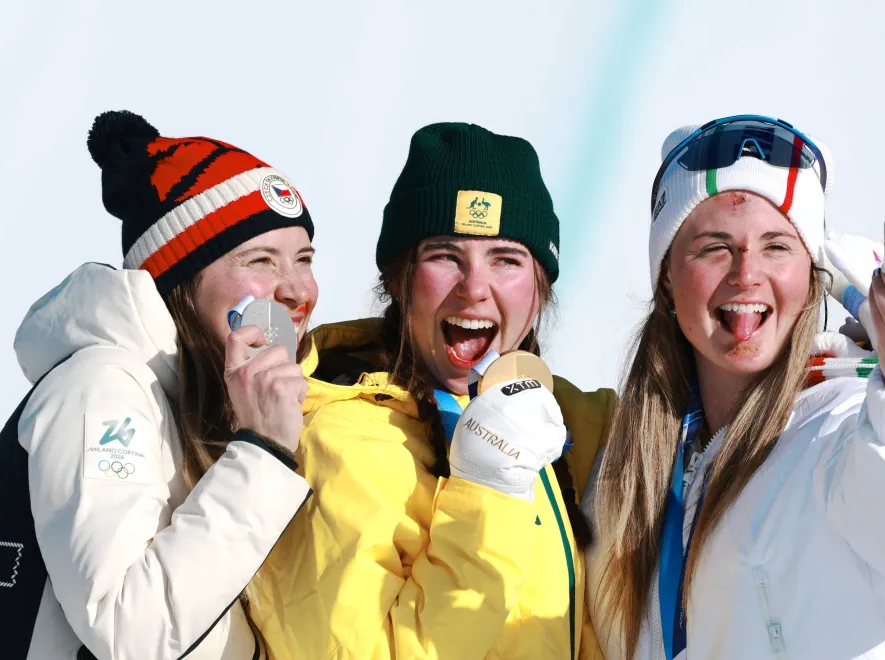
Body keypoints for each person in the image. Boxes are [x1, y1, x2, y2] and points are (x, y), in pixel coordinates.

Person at [585, 115, 885, 659]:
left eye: (777, 247)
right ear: (667, 274)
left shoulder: (841, 426)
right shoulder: (623, 479)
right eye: (714, 246)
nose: (746, 273)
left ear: (812, 274)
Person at [252, 122, 614, 659]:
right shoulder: (339, 439)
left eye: (506, 259)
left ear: (540, 290)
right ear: (399, 280)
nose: (474, 288)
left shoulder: (578, 428)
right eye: (445, 256)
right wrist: (489, 486)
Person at [0, 110, 318, 659]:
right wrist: (261, 455)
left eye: (304, 259)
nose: (296, 290)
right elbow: (126, 631)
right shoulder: (103, 389)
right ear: (181, 281)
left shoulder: (199, 399)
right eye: (260, 259)